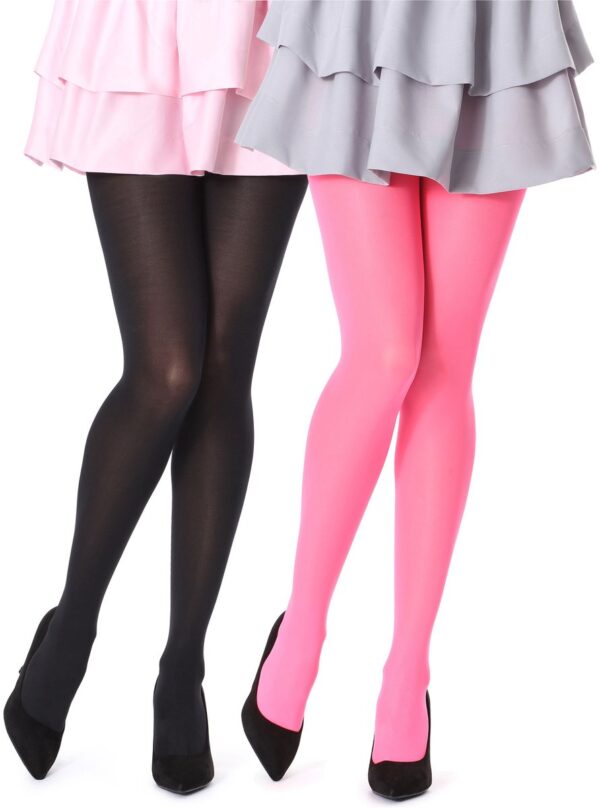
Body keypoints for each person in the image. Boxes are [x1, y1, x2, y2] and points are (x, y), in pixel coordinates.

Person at [235, 0, 596, 799]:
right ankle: (301, 631)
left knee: (443, 364)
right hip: (361, 19)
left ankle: (408, 673)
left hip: (490, 23)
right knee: (384, 352)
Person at [3, 0, 307, 795]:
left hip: (268, 34)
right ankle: (71, 630)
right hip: (142, 29)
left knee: (225, 365)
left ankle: (183, 668)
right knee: (167, 367)